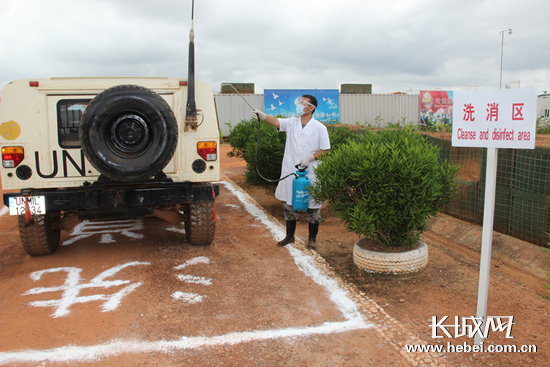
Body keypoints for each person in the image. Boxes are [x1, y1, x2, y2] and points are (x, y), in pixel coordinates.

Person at [252, 95, 330, 250]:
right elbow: (275, 121)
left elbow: (326, 150)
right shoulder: (292, 122)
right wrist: (262, 115)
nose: (299, 105)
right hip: (291, 171)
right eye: (299, 102)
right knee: (289, 204)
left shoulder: (320, 128)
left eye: (303, 103)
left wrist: (311, 158)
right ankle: (289, 236)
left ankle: (312, 239)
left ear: (311, 107)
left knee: (313, 207)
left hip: (311, 174)